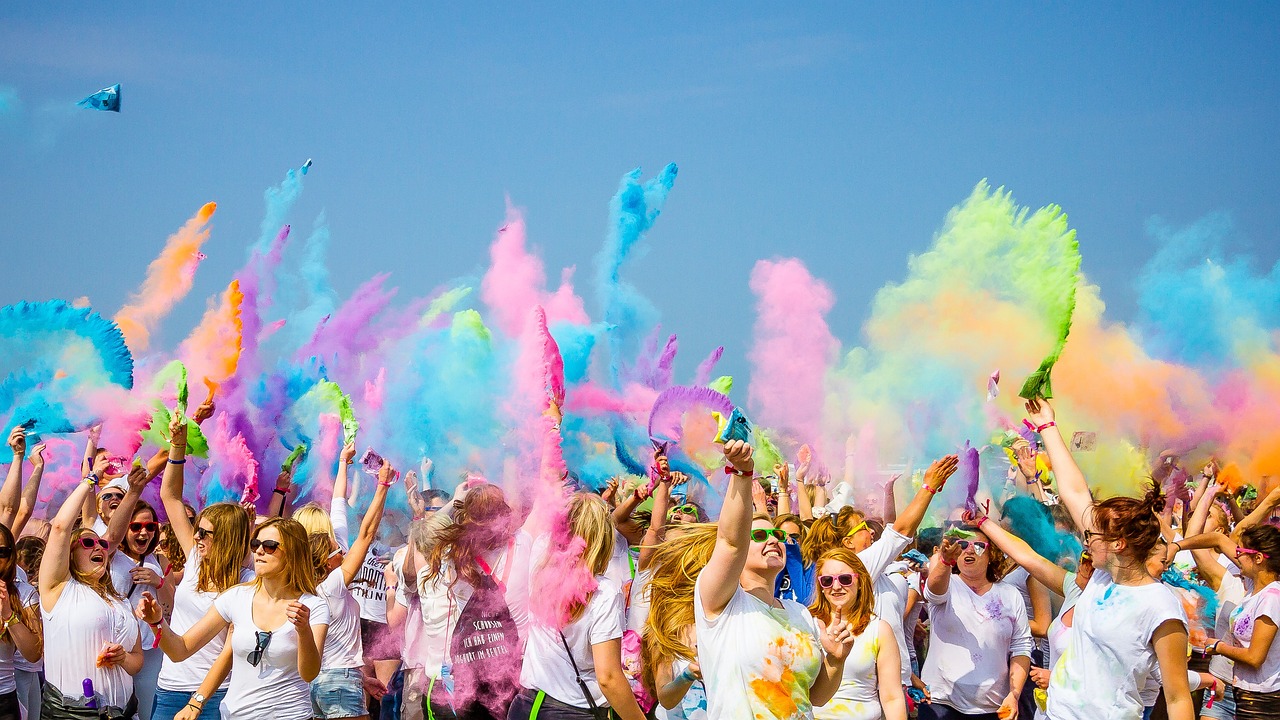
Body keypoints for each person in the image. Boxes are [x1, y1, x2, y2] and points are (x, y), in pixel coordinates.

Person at [1026, 398, 1195, 720]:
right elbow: (1075, 493)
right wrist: (1047, 426)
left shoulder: (1160, 607)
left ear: (1118, 544)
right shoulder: (1103, 579)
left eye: (1092, 536)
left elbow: (1177, 698)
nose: (1086, 543)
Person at [690, 439, 855, 720]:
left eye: (778, 535)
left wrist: (836, 661)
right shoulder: (720, 603)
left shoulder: (799, 613)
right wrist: (741, 473)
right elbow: (730, 542)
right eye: (758, 535)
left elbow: (815, 696)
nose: (773, 539)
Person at [138, 516, 330, 720]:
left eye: (270, 546)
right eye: (255, 544)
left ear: (293, 554)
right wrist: (156, 622)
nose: (259, 551)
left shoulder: (313, 606)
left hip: (290, 715)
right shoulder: (236, 597)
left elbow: (309, 673)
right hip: (236, 714)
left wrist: (304, 631)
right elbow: (180, 650)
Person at [507, 492, 645, 720]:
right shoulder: (603, 593)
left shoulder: (539, 565)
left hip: (525, 706)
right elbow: (608, 677)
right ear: (603, 537)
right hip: (571, 712)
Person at [153, 415, 253, 720]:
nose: (195, 537)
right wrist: (178, 446)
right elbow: (169, 496)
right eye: (196, 530)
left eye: (204, 533)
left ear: (224, 538)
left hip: (216, 695)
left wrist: (198, 700)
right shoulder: (196, 560)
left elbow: (229, 653)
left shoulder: (246, 583)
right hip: (169, 688)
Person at [409, 477, 529, 720]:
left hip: (448, 686)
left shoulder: (442, 562)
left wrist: (456, 500)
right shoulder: (522, 548)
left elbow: (426, 533)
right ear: (502, 515)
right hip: (502, 684)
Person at [40, 462, 143, 719]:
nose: (98, 546)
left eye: (100, 543)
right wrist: (91, 479)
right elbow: (61, 528)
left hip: (125, 712)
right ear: (71, 554)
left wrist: (122, 658)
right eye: (88, 542)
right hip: (71, 714)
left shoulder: (119, 600)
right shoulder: (59, 589)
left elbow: (137, 660)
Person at [919, 525, 1032, 720]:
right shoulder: (948, 583)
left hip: (992, 707)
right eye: (962, 545)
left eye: (978, 546)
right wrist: (945, 562)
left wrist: (1014, 695)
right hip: (941, 703)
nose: (969, 550)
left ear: (991, 555)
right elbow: (933, 591)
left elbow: (1021, 647)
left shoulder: (1010, 594)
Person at [310, 459, 394, 720]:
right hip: (338, 683)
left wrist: (343, 463)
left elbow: (338, 507)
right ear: (327, 561)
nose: (344, 552)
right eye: (339, 550)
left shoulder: (306, 587)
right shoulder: (333, 584)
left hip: (320, 682)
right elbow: (366, 534)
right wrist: (382, 486)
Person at [809, 547, 907, 720]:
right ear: (820, 586)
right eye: (827, 581)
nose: (836, 586)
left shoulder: (879, 629)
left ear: (860, 581)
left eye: (845, 579)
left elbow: (892, 697)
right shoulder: (806, 623)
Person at [1196, 525, 1280, 718]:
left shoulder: (1271, 598)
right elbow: (1218, 539)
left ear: (1258, 558)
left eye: (1240, 552)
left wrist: (1217, 646)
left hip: (1262, 699)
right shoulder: (1254, 588)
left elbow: (1254, 657)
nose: (1236, 556)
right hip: (1245, 692)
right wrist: (1177, 546)